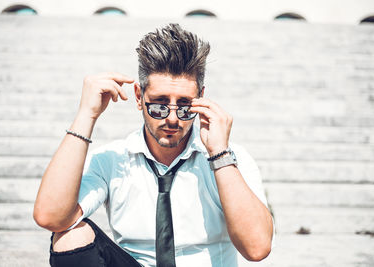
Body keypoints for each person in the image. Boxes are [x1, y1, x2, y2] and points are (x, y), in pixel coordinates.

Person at [33, 23, 274, 267]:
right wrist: (86, 115)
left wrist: (220, 156)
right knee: (69, 236)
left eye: (184, 105)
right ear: (139, 97)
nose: (172, 118)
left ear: (201, 97)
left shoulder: (231, 159)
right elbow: (51, 217)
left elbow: (257, 248)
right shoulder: (111, 160)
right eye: (159, 104)